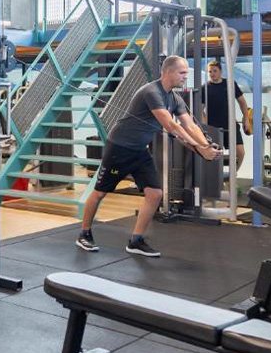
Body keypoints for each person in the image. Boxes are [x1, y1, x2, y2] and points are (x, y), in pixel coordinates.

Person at [75, 55, 220, 257]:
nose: (186, 76)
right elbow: (170, 125)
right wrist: (199, 148)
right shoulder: (152, 92)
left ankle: (136, 240)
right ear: (168, 72)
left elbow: (190, 125)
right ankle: (84, 233)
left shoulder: (175, 98)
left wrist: (205, 146)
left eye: (186, 72)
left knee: (155, 194)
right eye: (182, 72)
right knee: (100, 192)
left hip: (140, 150)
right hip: (119, 148)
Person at [201, 60, 251, 170]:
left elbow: (242, 102)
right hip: (213, 127)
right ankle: (219, 180)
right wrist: (205, 126)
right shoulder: (205, 87)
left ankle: (233, 175)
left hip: (230, 125)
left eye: (215, 71)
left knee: (240, 153)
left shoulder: (230, 84)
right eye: (210, 72)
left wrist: (246, 118)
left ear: (220, 71)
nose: (212, 74)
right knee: (215, 156)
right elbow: (200, 109)